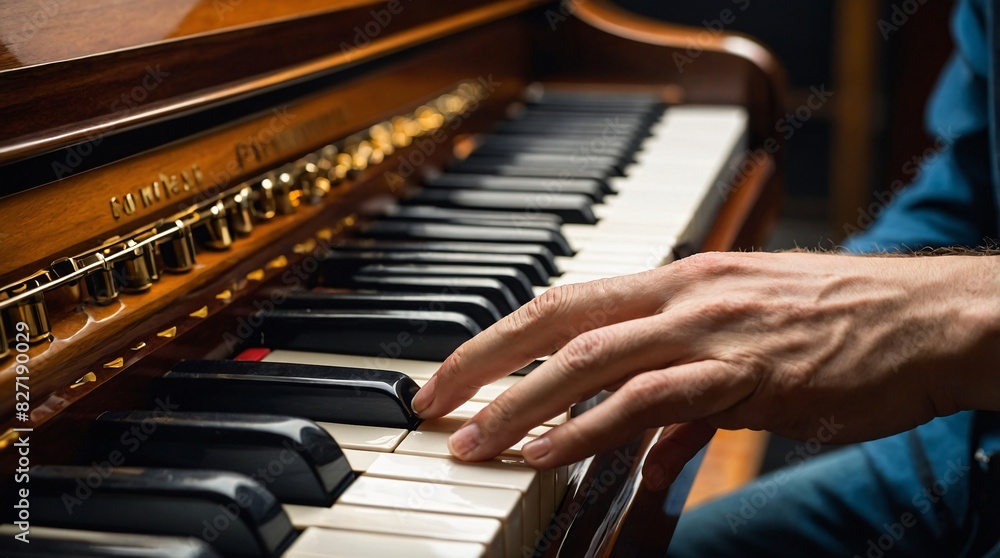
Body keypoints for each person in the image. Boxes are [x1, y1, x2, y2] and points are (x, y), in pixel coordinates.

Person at [410, 0, 1000, 555]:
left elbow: (932, 308)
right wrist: (814, 306)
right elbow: (963, 186)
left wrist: (936, 317)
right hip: (961, 451)